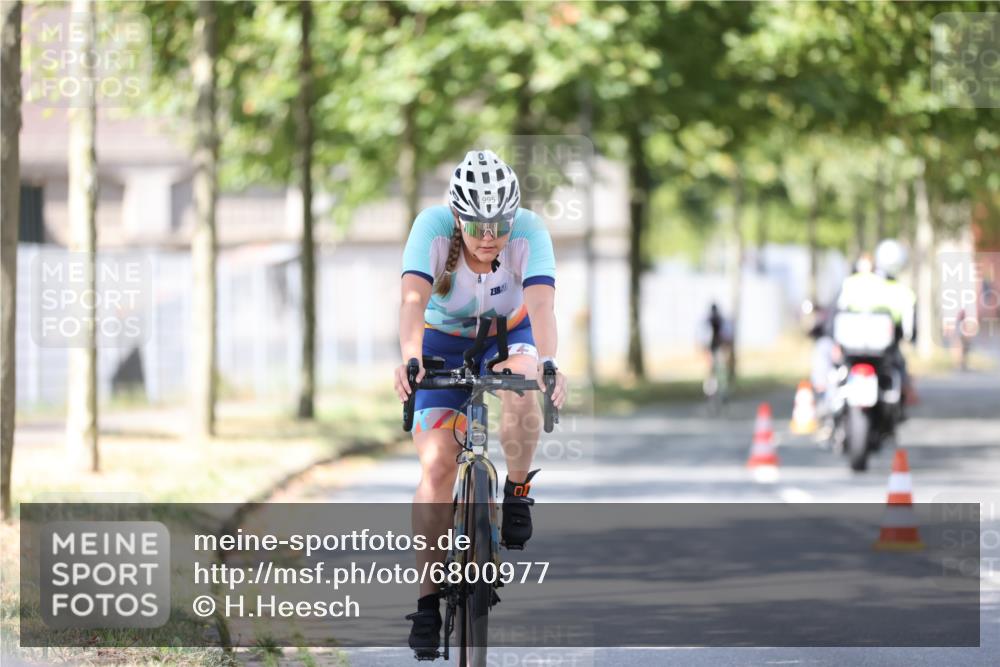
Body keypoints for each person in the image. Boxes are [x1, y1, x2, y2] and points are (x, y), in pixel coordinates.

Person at [394, 149, 568, 658]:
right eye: (477, 225)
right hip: (441, 341)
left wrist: (548, 362)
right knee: (436, 466)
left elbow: (541, 305)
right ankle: (427, 603)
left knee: (524, 386)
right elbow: (412, 301)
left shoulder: (530, 232)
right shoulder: (431, 228)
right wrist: (410, 358)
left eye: (499, 225)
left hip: (509, 334)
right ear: (457, 216)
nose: (489, 236)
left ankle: (516, 490)